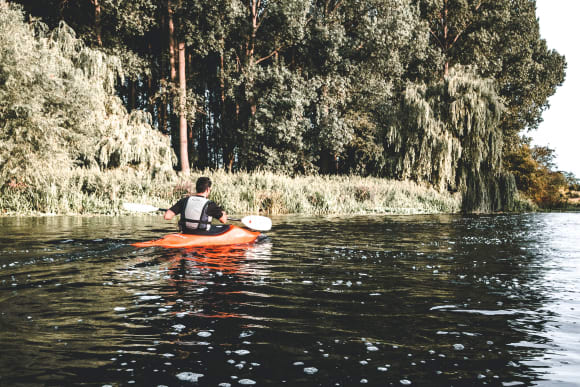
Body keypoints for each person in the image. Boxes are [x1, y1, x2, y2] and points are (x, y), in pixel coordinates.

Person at [164, 177, 228, 234]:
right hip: (201, 235)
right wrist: (223, 213)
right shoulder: (210, 204)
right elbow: (224, 220)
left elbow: (167, 216)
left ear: (197, 188)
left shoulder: (184, 201)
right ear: (208, 189)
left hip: (185, 233)